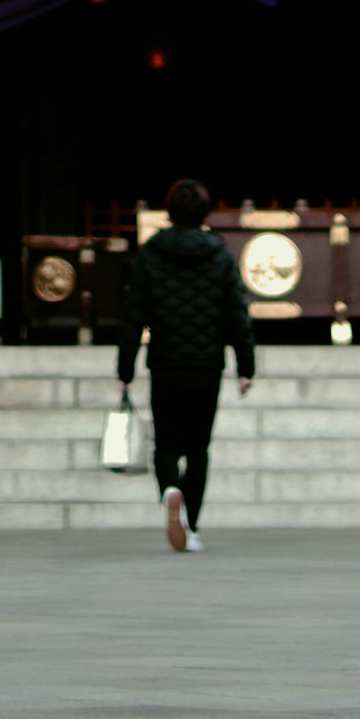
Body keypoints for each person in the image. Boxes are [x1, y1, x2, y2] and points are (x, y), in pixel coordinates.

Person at [113, 176, 254, 556]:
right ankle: (190, 526)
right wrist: (246, 365)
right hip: (207, 364)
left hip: (166, 362)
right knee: (198, 448)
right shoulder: (220, 254)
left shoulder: (151, 253)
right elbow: (236, 314)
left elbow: (133, 317)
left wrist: (124, 370)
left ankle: (169, 491)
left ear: (170, 211)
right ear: (205, 212)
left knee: (167, 444)